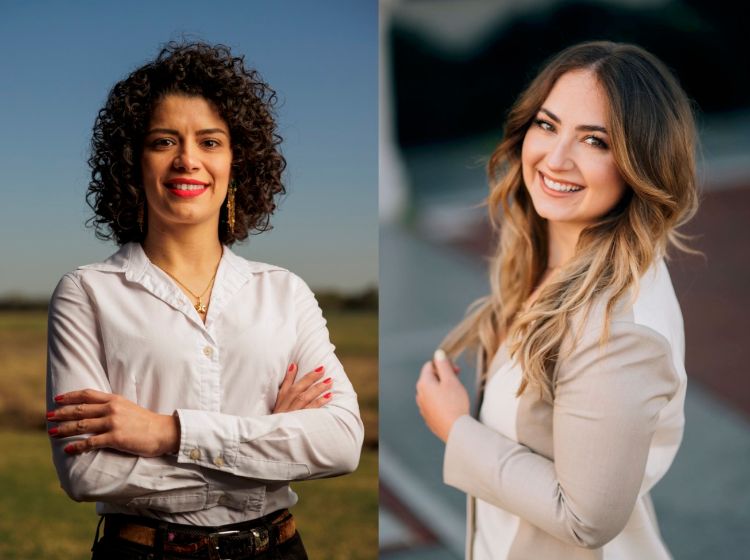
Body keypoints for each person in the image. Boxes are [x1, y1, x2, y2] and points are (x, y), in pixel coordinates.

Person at [46, 41, 363, 560]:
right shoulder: (86, 293)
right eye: (164, 140)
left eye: (210, 142)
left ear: (237, 161)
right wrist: (268, 447)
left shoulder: (285, 291)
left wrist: (167, 433)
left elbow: (343, 441)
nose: (188, 160)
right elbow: (86, 472)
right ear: (133, 161)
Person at [416, 41, 698, 559]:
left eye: (595, 140)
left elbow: (587, 518)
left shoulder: (621, 328)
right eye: (547, 125)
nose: (556, 157)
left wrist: (454, 427)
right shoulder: (547, 258)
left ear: (642, 162)